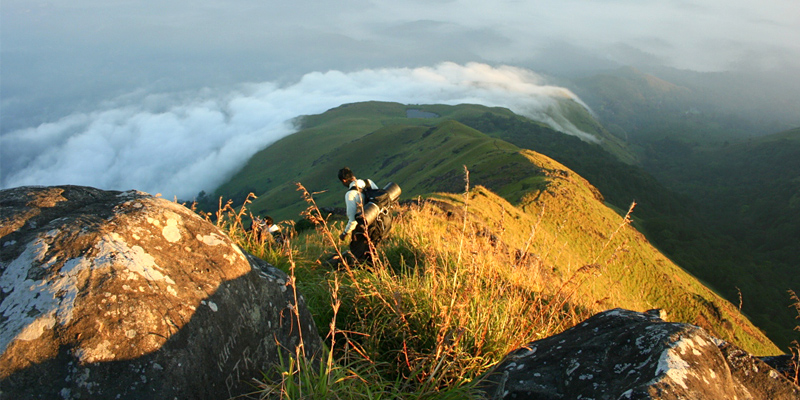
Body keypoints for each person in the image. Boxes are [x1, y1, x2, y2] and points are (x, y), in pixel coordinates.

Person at [337, 167, 390, 263]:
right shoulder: (368, 182)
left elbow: (353, 220)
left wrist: (344, 233)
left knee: (360, 256)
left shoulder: (350, 194)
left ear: (344, 180)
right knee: (374, 250)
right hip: (381, 223)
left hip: (365, 229)